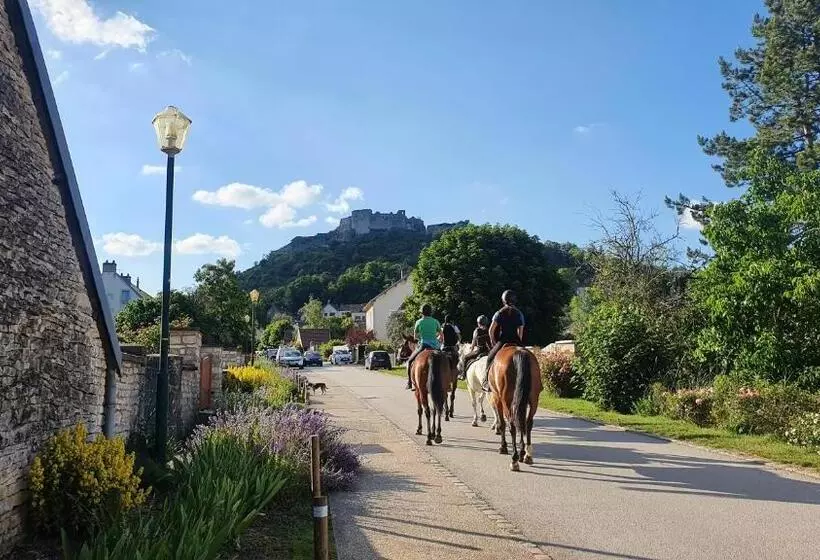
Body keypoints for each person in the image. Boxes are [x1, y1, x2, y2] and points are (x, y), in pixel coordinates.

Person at [483, 290, 525, 392]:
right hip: (516, 340)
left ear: (503, 300)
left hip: (503, 340)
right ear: (514, 300)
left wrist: (493, 342)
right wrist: (519, 342)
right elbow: (520, 331)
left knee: (490, 358)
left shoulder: (499, 313)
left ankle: (486, 382)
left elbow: (491, 330)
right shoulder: (519, 313)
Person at [405, 303, 442, 390]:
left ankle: (409, 383)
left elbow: (415, 337)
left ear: (422, 312)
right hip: (435, 346)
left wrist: (420, 338)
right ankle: (449, 382)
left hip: (423, 345)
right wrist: (436, 338)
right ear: (430, 312)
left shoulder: (419, 322)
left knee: (410, 362)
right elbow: (441, 335)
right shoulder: (435, 321)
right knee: (445, 360)